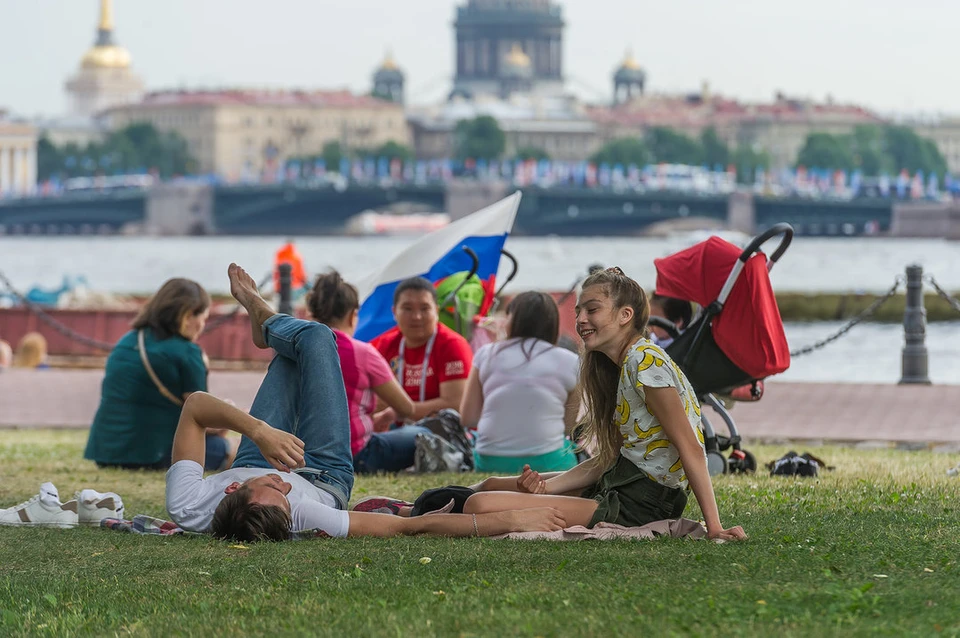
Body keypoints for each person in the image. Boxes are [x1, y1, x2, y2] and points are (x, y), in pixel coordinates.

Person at [166, 263, 567, 541]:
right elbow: (410, 528)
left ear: (232, 488)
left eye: (274, 487)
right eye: (286, 497)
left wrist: (259, 432)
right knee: (319, 338)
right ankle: (265, 318)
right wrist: (513, 519)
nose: (283, 484)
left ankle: (268, 328)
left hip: (256, 449)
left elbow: (196, 406)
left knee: (294, 355)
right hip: (323, 472)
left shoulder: (189, 505)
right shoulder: (304, 512)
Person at [457, 267, 747, 542]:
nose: (581, 319)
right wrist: (546, 488)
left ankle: (423, 513)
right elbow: (612, 458)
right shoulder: (625, 366)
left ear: (625, 315)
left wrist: (715, 527)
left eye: (592, 310)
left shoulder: (645, 363)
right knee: (491, 484)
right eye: (578, 311)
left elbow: (691, 448)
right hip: (620, 484)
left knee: (481, 504)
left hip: (639, 502)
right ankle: (420, 505)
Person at [84, 278, 232, 471]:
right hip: (156, 453)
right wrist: (229, 417)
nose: (202, 326)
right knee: (240, 451)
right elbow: (202, 418)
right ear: (187, 316)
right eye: (202, 318)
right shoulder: (187, 352)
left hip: (106, 453)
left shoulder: (127, 341)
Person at [305, 270, 419, 474]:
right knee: (421, 433)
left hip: (302, 457)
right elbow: (406, 408)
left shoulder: (297, 350)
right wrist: (387, 415)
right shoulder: (363, 353)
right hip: (355, 455)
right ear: (352, 315)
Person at [459, 291, 581, 473]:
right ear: (553, 324)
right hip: (548, 463)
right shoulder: (571, 361)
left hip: (490, 462)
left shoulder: (486, 354)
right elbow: (569, 428)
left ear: (512, 320)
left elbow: (468, 417)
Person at [368, 276, 473, 469]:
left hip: (443, 435)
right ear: (394, 312)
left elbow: (455, 405)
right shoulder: (385, 345)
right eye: (407, 309)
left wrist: (395, 412)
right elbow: (370, 399)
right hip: (396, 435)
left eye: (425, 309)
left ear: (437, 311)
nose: (416, 317)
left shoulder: (452, 345)